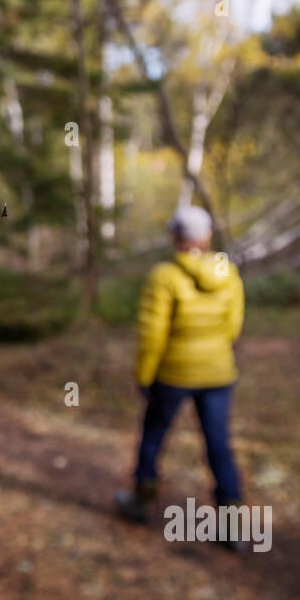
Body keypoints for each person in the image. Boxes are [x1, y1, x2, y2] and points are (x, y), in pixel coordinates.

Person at [114, 205, 246, 549]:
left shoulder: (164, 275)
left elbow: (152, 334)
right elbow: (233, 325)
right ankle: (232, 524)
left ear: (175, 236)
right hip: (219, 372)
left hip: (172, 374)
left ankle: (140, 501)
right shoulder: (225, 269)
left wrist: (144, 375)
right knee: (218, 443)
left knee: (154, 435)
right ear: (207, 236)